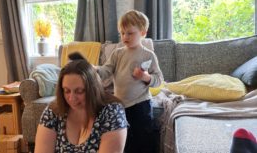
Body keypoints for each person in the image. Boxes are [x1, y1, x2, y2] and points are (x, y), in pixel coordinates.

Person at [96, 10, 164, 153]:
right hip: (120, 105)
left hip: (141, 104)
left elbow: (159, 80)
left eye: (130, 33)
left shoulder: (148, 54)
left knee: (143, 139)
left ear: (143, 33)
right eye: (122, 33)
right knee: (124, 140)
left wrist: (146, 77)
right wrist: (95, 70)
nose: (125, 37)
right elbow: (106, 71)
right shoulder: (117, 53)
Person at [34, 56, 128, 153]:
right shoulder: (52, 112)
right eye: (66, 91)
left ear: (93, 90)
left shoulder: (112, 112)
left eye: (79, 91)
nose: (72, 98)